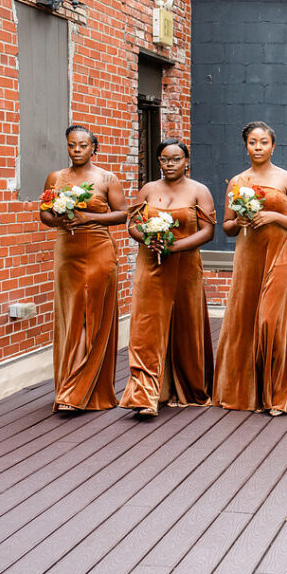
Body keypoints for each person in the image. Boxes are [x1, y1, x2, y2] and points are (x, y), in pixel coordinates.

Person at [213, 122, 287, 415]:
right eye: (253, 142)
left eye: (264, 142)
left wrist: (273, 217)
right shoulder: (238, 181)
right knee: (244, 321)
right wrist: (239, 222)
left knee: (271, 320)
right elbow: (227, 227)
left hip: (281, 253)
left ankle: (277, 394)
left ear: (273, 146)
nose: (258, 147)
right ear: (246, 146)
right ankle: (246, 392)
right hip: (249, 256)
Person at [119, 138, 216, 417]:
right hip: (151, 266)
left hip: (185, 266)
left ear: (186, 161)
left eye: (175, 159)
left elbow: (207, 232)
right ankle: (145, 395)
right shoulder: (148, 190)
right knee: (146, 328)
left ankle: (186, 386)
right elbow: (133, 224)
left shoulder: (199, 190)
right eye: (164, 159)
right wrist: (148, 239)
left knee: (186, 326)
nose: (169, 164)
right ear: (158, 161)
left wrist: (174, 246)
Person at [39, 125, 126, 412]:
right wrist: (59, 219)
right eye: (72, 145)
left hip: (99, 251)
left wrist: (88, 217)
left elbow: (122, 214)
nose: (77, 150)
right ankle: (70, 384)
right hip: (67, 252)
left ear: (93, 148)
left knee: (94, 316)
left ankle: (81, 392)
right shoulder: (55, 178)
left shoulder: (106, 178)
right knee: (71, 315)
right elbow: (45, 214)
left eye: (83, 145)